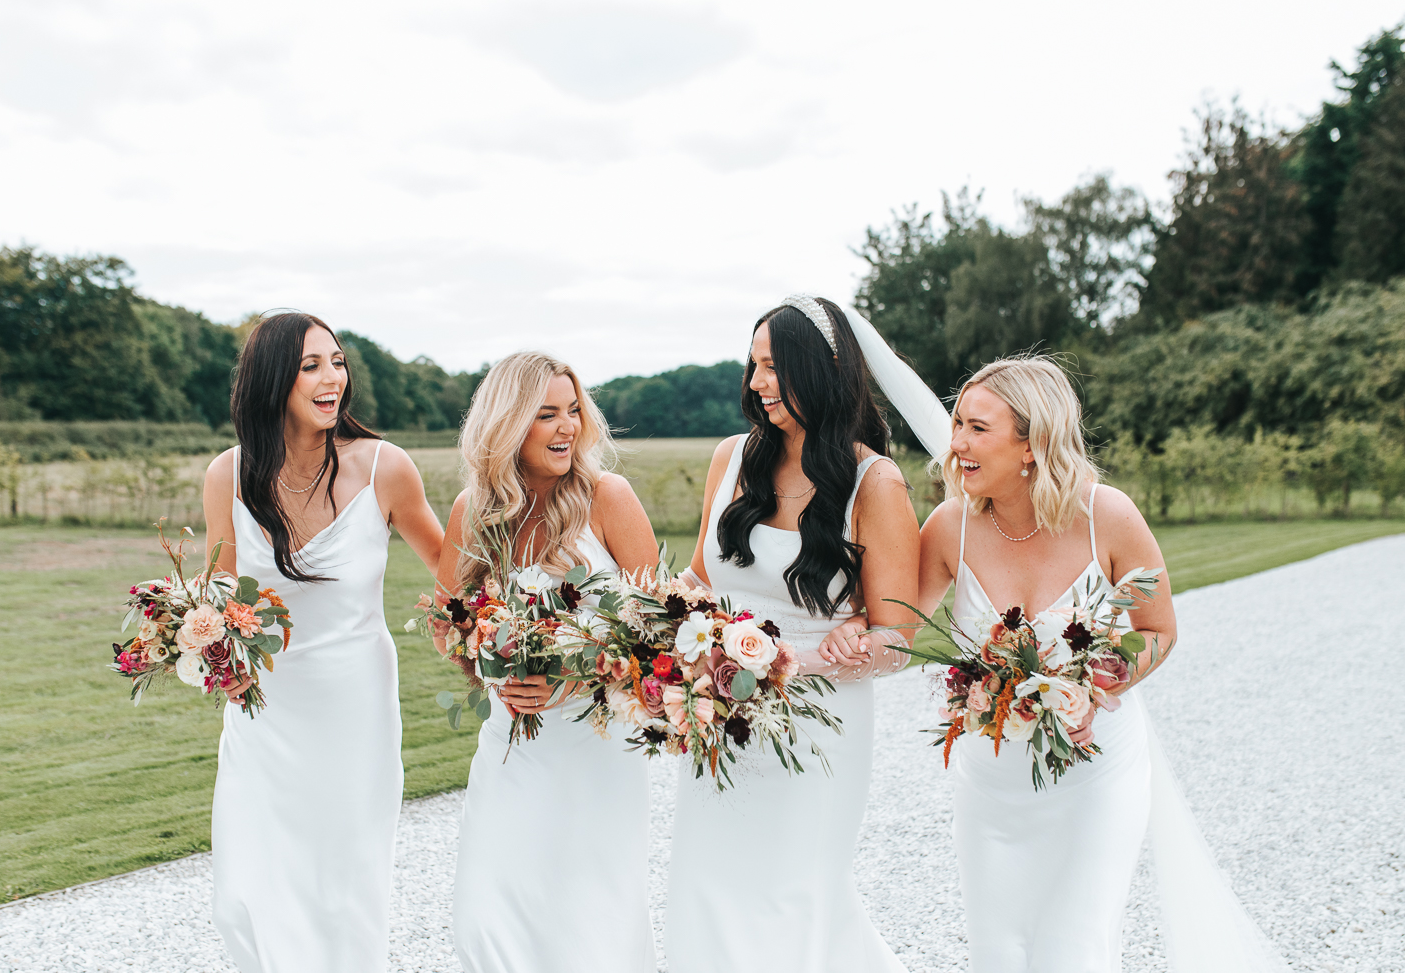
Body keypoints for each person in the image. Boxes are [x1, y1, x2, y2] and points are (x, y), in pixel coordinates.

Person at [916, 356, 1281, 972]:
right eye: (956, 424)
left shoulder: (1106, 517)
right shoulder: (948, 526)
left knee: (1072, 949)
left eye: (977, 428)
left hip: (1095, 775)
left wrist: (1103, 680)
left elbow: (1159, 630)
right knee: (997, 953)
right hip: (990, 782)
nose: (955, 445)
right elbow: (891, 625)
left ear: (1031, 443)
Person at [664, 296, 930, 973]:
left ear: (821, 370)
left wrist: (847, 646)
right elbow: (700, 578)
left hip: (817, 727)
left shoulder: (876, 484)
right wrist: (666, 626)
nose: (756, 384)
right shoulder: (733, 458)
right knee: (709, 884)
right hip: (721, 715)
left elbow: (897, 638)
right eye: (753, 366)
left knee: (791, 895)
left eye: (773, 367)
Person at [200, 311, 444, 973]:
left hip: (354, 707)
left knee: (341, 887)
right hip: (264, 714)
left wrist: (489, 634)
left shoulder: (384, 468)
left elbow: (453, 574)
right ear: (273, 381)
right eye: (311, 365)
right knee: (248, 891)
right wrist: (205, 650)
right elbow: (218, 594)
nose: (332, 377)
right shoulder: (228, 474)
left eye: (337, 362)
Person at [435, 351, 662, 973]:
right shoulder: (472, 513)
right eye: (546, 414)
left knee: (590, 926)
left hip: (596, 751)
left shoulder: (607, 498)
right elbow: (452, 630)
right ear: (507, 424)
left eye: (574, 411)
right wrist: (493, 667)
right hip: (512, 749)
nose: (568, 427)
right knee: (488, 916)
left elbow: (659, 631)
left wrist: (576, 675)